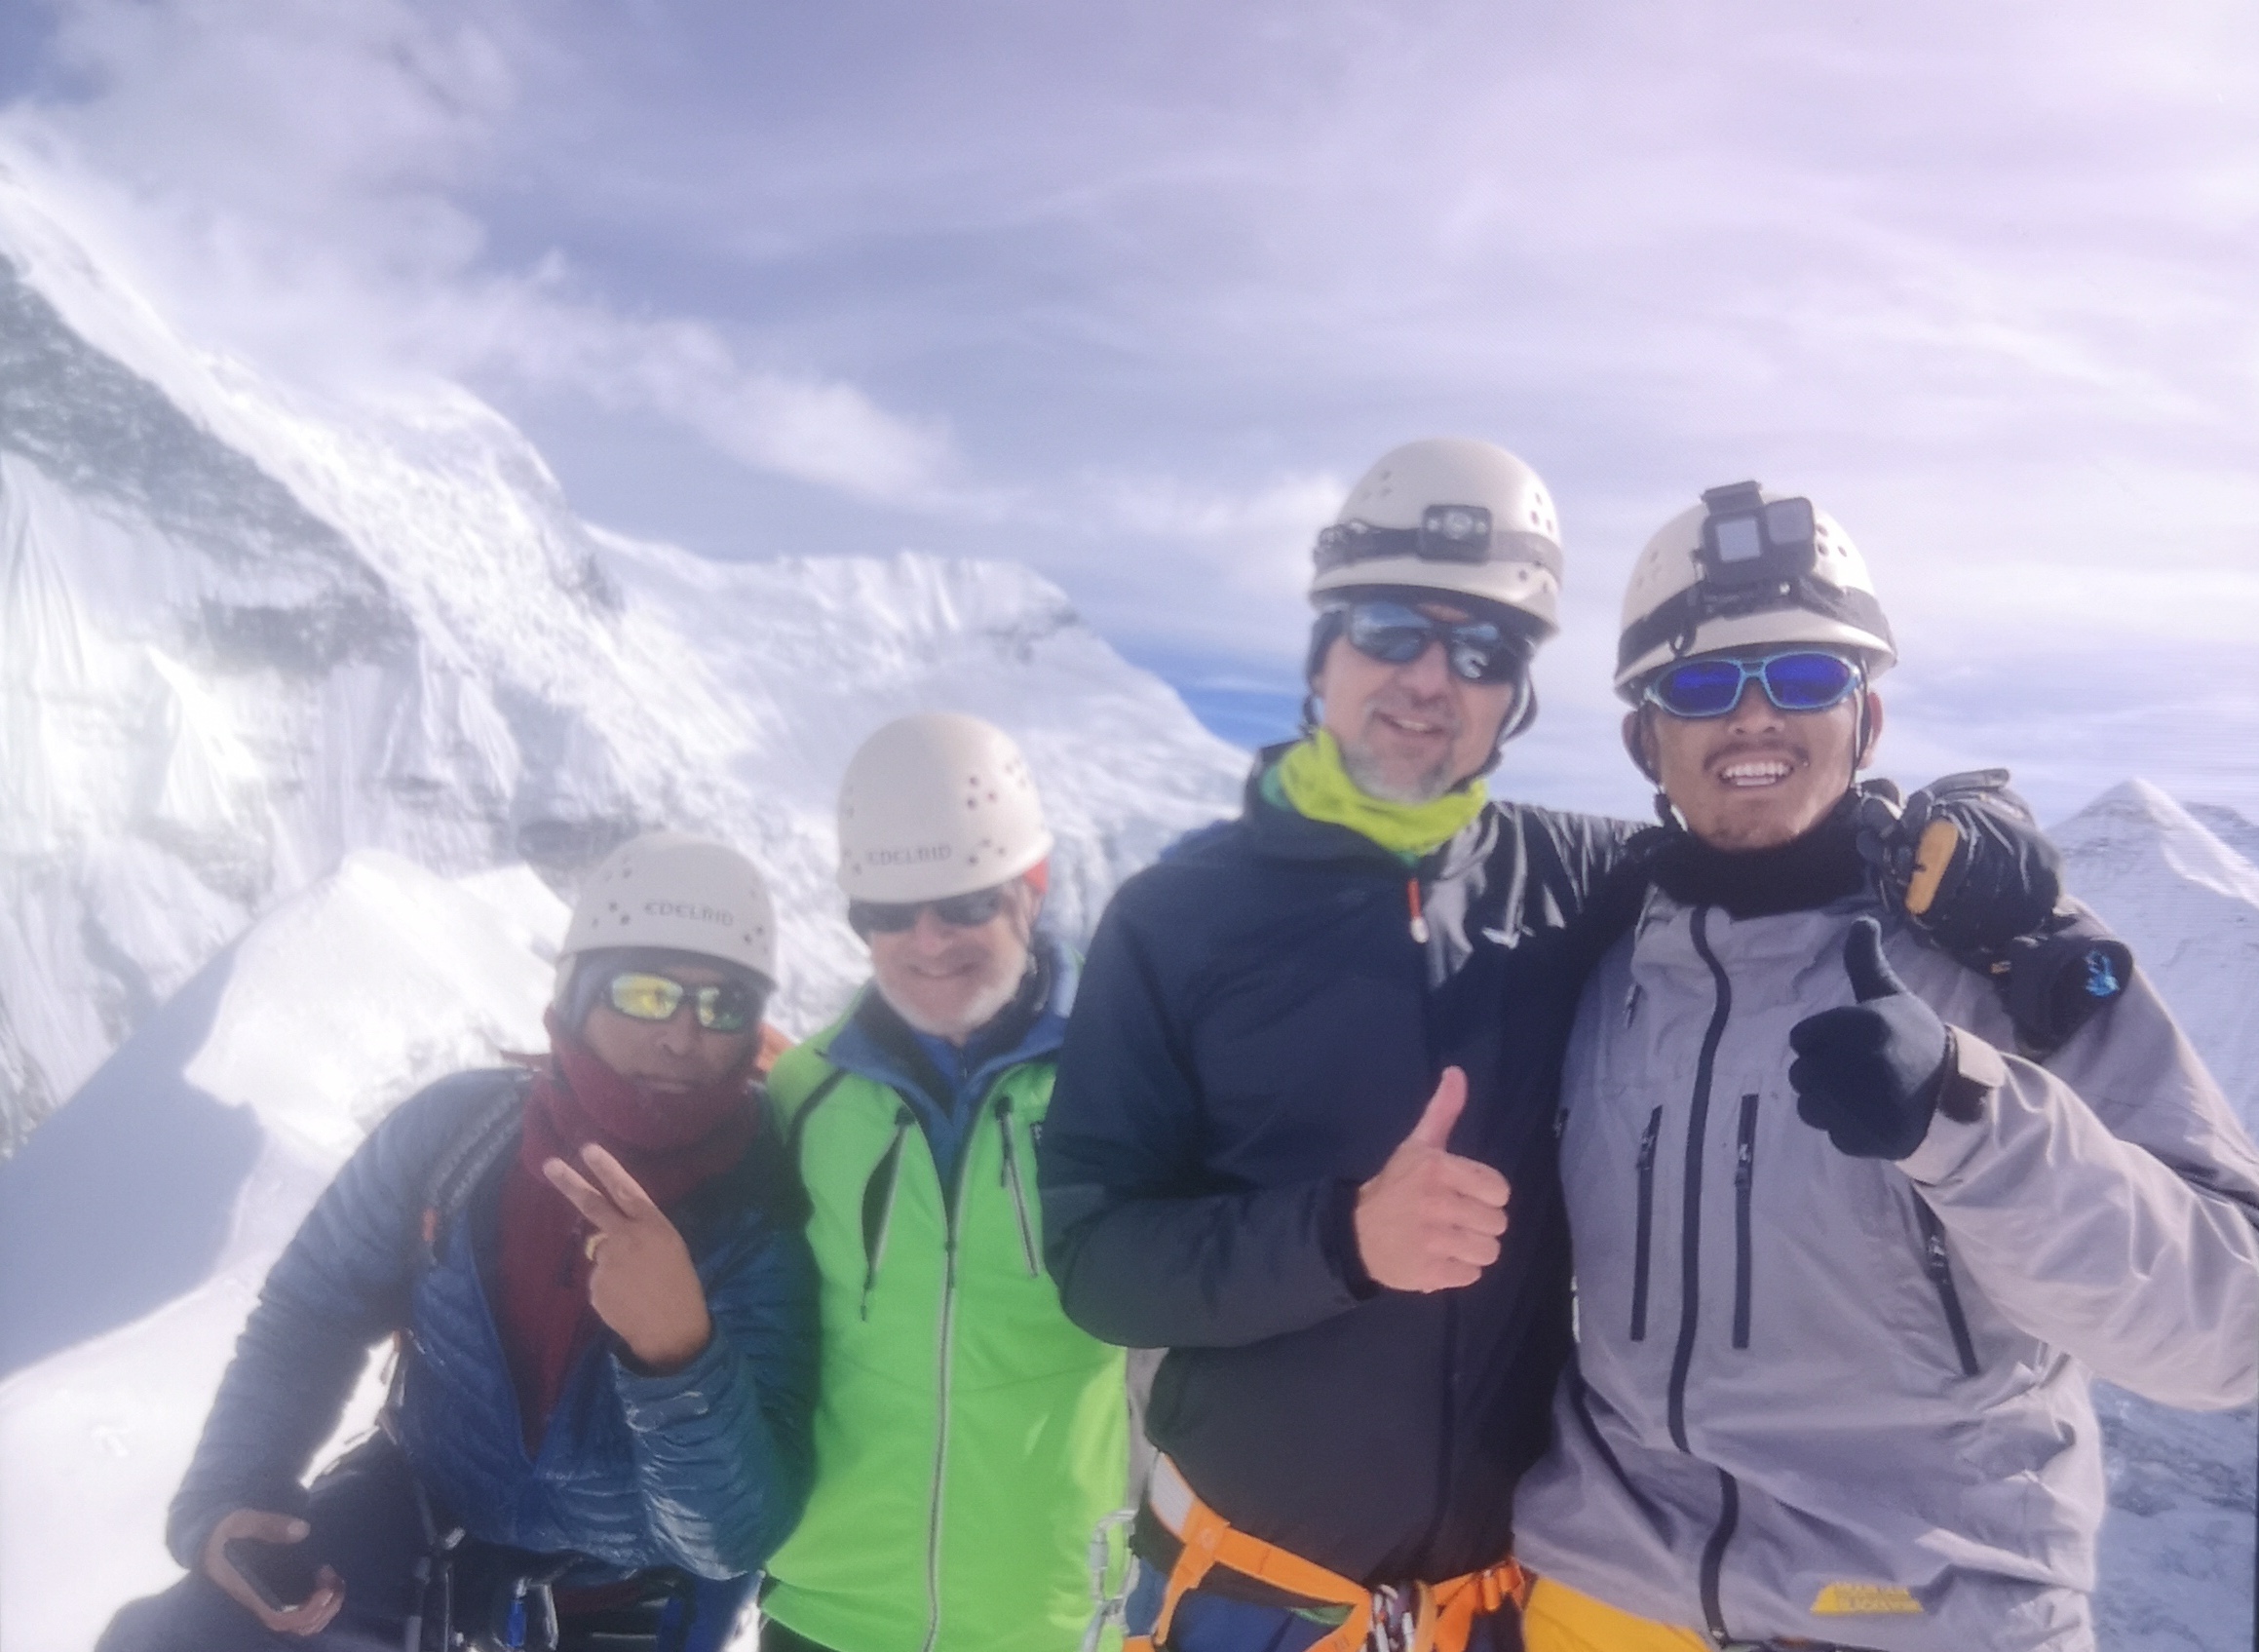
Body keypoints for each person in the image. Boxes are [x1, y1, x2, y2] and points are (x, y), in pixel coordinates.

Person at [1509, 482, 2259, 1651]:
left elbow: (2228, 1330)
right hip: (1601, 1593)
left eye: (1802, 676)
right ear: (1642, 740)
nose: (1752, 718)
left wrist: (1972, 1123)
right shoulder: (1594, 967)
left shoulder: (2003, 958)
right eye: (1699, 687)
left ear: (1864, 719)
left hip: (1923, 1612)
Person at [97, 832, 817, 1652]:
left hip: (630, 1588)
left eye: (723, 1004)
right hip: (418, 1518)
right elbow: (314, 1308)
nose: (684, 1036)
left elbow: (730, 1536)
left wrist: (676, 1355)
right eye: (647, 993)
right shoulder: (458, 1135)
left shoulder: (767, 1206)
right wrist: (231, 1491)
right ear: (579, 991)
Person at [758, 712, 1130, 1652]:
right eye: (885, 912)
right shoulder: (803, 1093)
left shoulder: (1125, 1082)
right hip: (823, 1611)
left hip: (1052, 1620)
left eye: (963, 902)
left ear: (1032, 887)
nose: (926, 940)